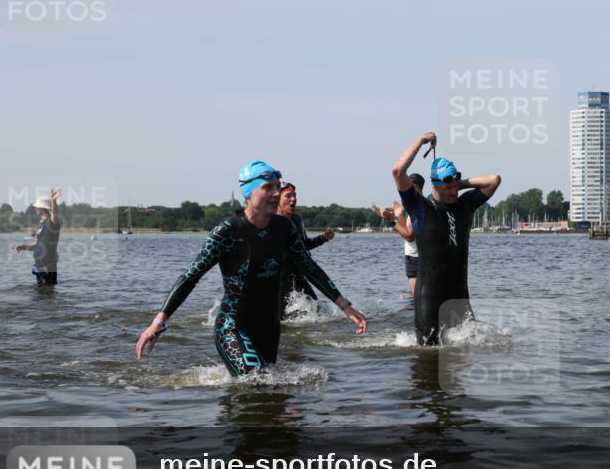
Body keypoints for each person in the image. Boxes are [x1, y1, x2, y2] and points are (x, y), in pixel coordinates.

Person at [136, 161, 366, 375]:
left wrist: (345, 306)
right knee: (256, 381)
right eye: (268, 188)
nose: (276, 193)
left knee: (271, 396)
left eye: (277, 187)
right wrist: (158, 322)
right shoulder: (228, 232)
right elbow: (190, 276)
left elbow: (309, 266)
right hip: (233, 327)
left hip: (270, 328)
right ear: (248, 192)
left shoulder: (283, 228)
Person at [391, 132, 501, 345]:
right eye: (448, 187)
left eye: (455, 187)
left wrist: (460, 183)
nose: (454, 192)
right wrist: (421, 140)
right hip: (429, 300)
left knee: (463, 358)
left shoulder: (465, 204)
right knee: (428, 358)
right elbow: (397, 171)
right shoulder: (420, 207)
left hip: (459, 296)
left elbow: (494, 180)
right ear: (435, 185)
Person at [276, 181, 335, 315]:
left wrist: (323, 238)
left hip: (300, 276)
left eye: (295, 195)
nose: (293, 199)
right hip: (278, 281)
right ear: (276, 198)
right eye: (288, 196)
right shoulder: (270, 223)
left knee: (316, 312)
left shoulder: (297, 219)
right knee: (280, 321)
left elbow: (303, 246)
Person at [378, 173, 425, 308]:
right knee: (419, 296)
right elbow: (407, 230)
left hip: (416, 256)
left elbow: (409, 236)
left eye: (406, 188)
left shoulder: (418, 206)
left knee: (415, 297)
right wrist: (400, 216)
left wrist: (392, 222)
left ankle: (418, 324)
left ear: (414, 187)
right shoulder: (418, 204)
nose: (404, 191)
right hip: (418, 255)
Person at [14, 189, 62, 285]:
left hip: (48, 267)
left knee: (47, 295)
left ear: (42, 208)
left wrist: (53, 201)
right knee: (40, 296)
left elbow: (55, 215)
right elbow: (38, 245)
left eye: (37, 207)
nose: (35, 209)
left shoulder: (51, 223)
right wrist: (23, 247)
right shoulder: (42, 224)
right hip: (40, 267)